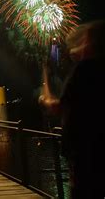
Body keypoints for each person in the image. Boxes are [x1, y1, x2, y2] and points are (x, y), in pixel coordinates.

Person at [39, 20, 105, 198]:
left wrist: (45, 100)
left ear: (92, 44)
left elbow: (59, 107)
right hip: (99, 145)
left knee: (83, 191)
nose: (80, 43)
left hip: (84, 147)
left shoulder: (84, 69)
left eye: (85, 39)